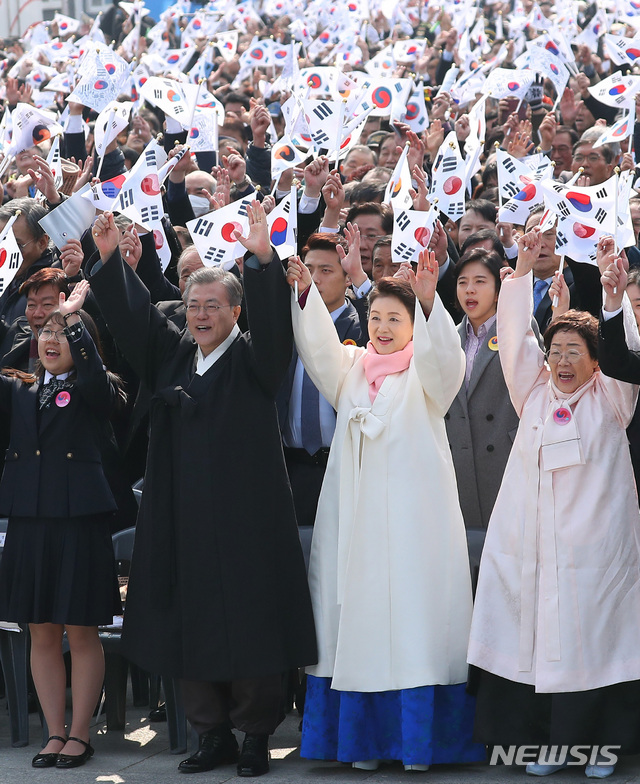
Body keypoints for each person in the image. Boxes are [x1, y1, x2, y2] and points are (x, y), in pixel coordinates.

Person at [88, 205, 317, 778]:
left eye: (214, 305)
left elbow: (274, 328)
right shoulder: (172, 356)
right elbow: (134, 317)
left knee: (252, 622)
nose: (200, 314)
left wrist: (263, 258)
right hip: (183, 518)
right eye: (192, 306)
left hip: (248, 520)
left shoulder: (254, 358)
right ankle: (210, 733)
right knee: (192, 622)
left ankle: (255, 736)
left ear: (237, 312)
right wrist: (112, 257)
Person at [287, 251, 483, 771]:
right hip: (354, 525)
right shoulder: (351, 369)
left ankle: (419, 744)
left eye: (395, 318)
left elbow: (446, 360)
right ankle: (361, 745)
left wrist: (427, 298)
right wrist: (306, 291)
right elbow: (317, 347)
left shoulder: (426, 373)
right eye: (376, 317)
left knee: (416, 626)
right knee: (353, 621)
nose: (383, 327)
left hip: (413, 529)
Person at [467, 227, 640, 779]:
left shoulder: (613, 397)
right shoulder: (534, 391)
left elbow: (624, 354)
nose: (563, 361)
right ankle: (544, 745)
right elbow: (516, 341)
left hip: (597, 556)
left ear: (595, 360)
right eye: (557, 350)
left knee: (597, 648)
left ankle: (600, 749)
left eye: (576, 352)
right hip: (532, 549)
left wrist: (612, 301)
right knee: (535, 648)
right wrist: (519, 269)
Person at [0, 280, 124, 769]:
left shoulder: (97, 388)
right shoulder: (18, 388)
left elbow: (96, 380)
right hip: (30, 521)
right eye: (45, 331)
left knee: (81, 630)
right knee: (41, 631)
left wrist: (73, 315)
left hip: (78, 523)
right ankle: (53, 733)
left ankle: (80, 733)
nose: (51, 339)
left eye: (64, 332)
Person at [446, 249, 520, 533]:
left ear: (499, 291)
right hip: (459, 460)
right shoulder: (449, 337)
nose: (470, 290)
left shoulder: (515, 330)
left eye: (480, 281)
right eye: (462, 282)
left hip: (503, 456)